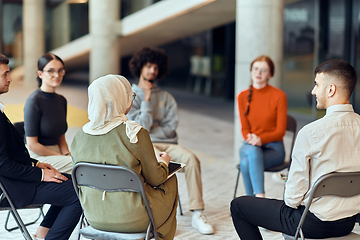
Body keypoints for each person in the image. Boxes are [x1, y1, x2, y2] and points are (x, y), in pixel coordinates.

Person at [231, 59, 360, 240]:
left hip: (311, 223)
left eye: (316, 85)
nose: (313, 91)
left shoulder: (310, 132)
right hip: (348, 222)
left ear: (331, 90)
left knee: (238, 207)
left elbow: (292, 199)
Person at [70, 74, 178, 240]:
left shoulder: (79, 137)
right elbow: (156, 178)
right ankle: (160, 235)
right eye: (129, 96)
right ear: (119, 99)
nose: (131, 101)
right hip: (134, 218)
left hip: (93, 217)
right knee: (170, 179)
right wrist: (164, 163)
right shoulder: (134, 134)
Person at [127, 47, 214, 235]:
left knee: (191, 159)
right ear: (140, 67)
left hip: (169, 143)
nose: (152, 71)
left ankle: (197, 213)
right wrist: (147, 101)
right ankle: (157, 216)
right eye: (149, 66)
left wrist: (150, 128)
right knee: (158, 164)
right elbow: (139, 129)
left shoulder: (167, 98)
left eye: (156, 68)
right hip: (146, 145)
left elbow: (170, 127)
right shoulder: (131, 97)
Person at [0, 53, 82, 240]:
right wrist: (41, 174)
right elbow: (2, 164)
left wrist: (36, 164)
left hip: (17, 179)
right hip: (10, 186)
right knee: (78, 191)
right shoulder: (33, 101)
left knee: (74, 181)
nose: (10, 78)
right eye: (5, 74)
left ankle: (43, 233)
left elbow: (9, 155)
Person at [237, 55, 287, 197]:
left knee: (246, 162)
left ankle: (253, 204)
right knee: (252, 152)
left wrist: (261, 139)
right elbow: (244, 128)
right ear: (251, 70)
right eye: (256, 69)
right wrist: (252, 139)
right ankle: (260, 199)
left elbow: (280, 131)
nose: (258, 73)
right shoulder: (242, 96)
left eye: (264, 70)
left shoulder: (279, 96)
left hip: (274, 149)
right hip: (250, 145)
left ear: (270, 74)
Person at [24, 53, 72, 174]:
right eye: (51, 71)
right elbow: (32, 145)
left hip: (57, 154)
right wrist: (61, 157)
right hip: (39, 157)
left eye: (60, 70)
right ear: (40, 74)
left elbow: (61, 138)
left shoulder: (61, 100)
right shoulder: (34, 101)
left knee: (83, 161)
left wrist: (67, 154)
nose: (57, 75)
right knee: (78, 166)